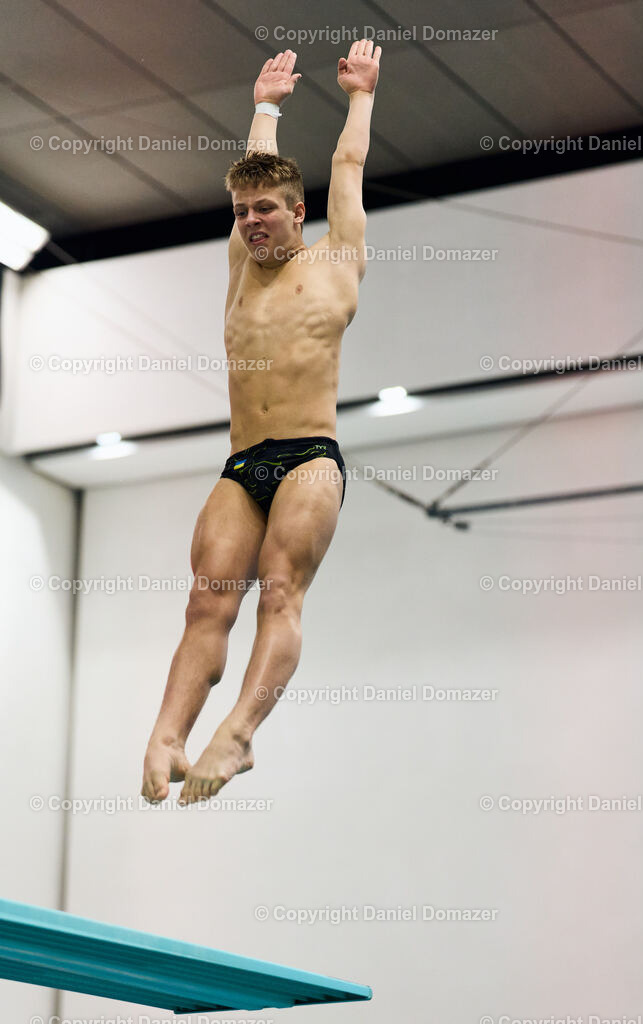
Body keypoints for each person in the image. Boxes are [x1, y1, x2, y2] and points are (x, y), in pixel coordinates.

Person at [141, 41, 381, 805]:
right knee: (206, 600)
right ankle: (167, 735)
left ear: (298, 213)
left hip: (310, 456)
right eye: (242, 213)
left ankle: (239, 734)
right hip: (242, 462)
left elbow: (346, 168)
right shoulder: (241, 267)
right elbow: (252, 172)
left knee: (279, 593)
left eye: (266, 209)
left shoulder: (336, 261)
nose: (251, 223)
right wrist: (264, 107)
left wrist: (360, 97)